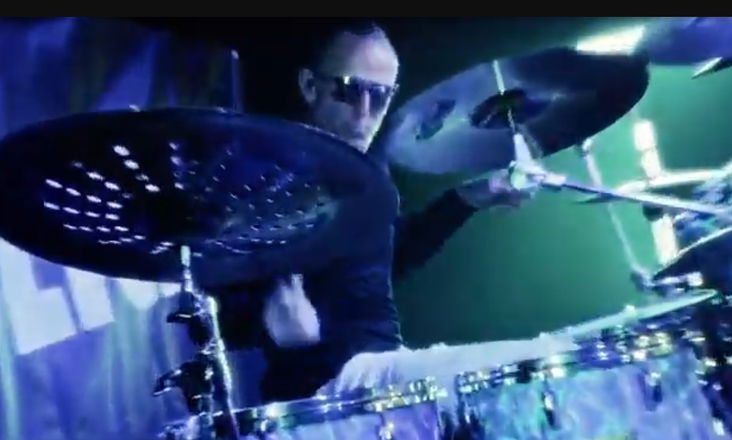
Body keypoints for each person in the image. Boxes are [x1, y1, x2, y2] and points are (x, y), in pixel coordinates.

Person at [212, 19, 570, 406]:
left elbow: (382, 263)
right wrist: (283, 334)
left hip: (382, 369)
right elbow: (216, 305)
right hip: (324, 387)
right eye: (350, 91)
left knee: (569, 351)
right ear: (310, 86)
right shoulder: (265, 173)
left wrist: (467, 198)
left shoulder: (369, 169)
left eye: (380, 96)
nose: (364, 113)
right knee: (543, 365)